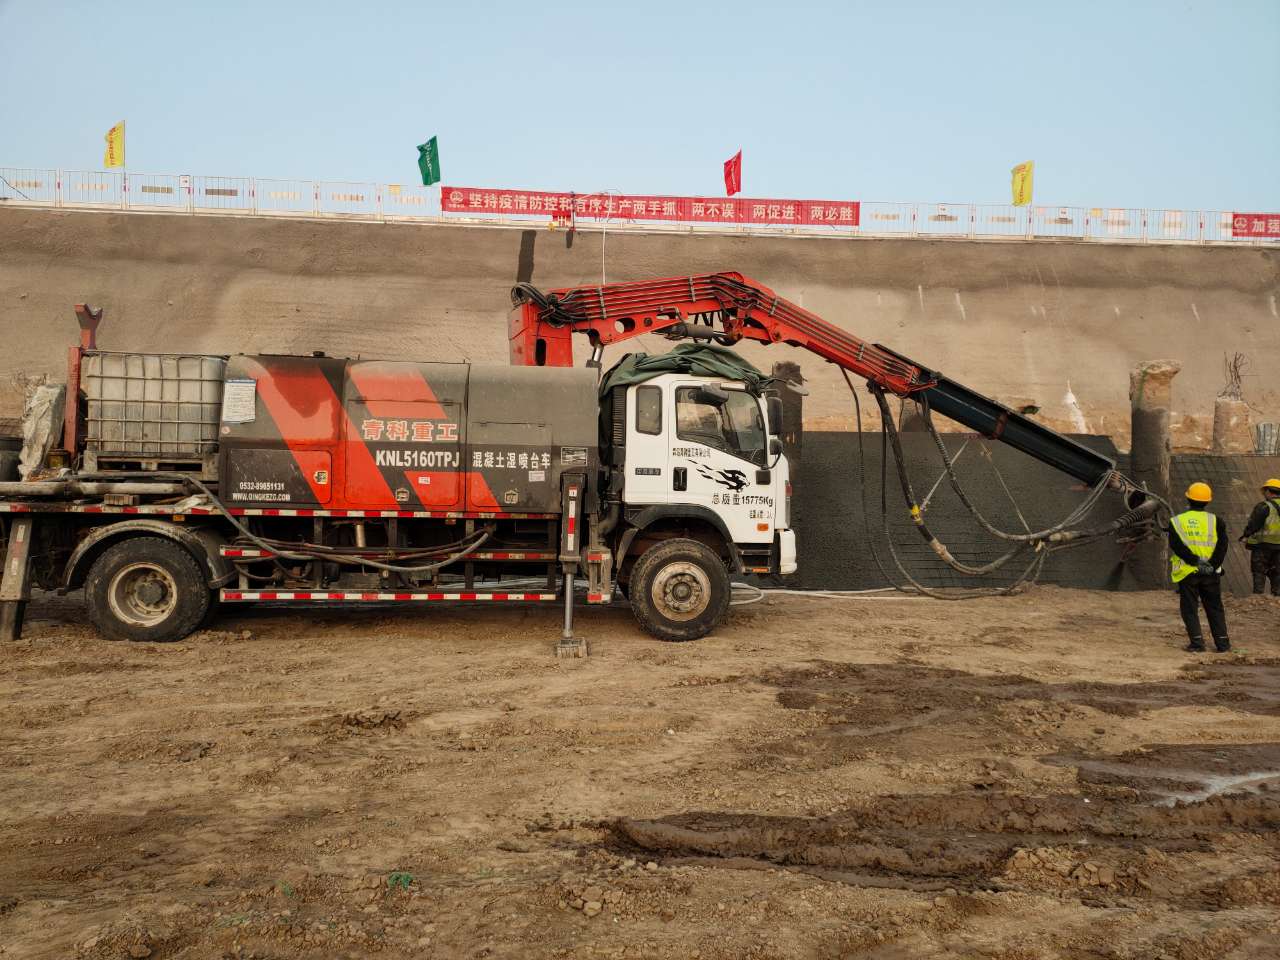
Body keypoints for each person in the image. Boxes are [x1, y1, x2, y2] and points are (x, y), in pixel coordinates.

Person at [1168, 481, 1230, 653]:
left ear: (1188, 498)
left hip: (1188, 572)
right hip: (1211, 573)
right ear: (1208, 501)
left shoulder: (1176, 522)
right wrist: (1212, 565)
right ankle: (1223, 644)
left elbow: (1177, 546)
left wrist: (1196, 561)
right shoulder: (1217, 521)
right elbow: (1223, 545)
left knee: (1189, 608)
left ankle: (1197, 643)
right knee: (1215, 607)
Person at [1240, 477, 1280, 596]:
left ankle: (1258, 597)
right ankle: (1277, 596)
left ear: (1268, 491)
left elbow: (1254, 524)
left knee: (1259, 571)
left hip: (1263, 545)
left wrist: (1245, 535)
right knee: (1278, 572)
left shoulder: (1264, 506)